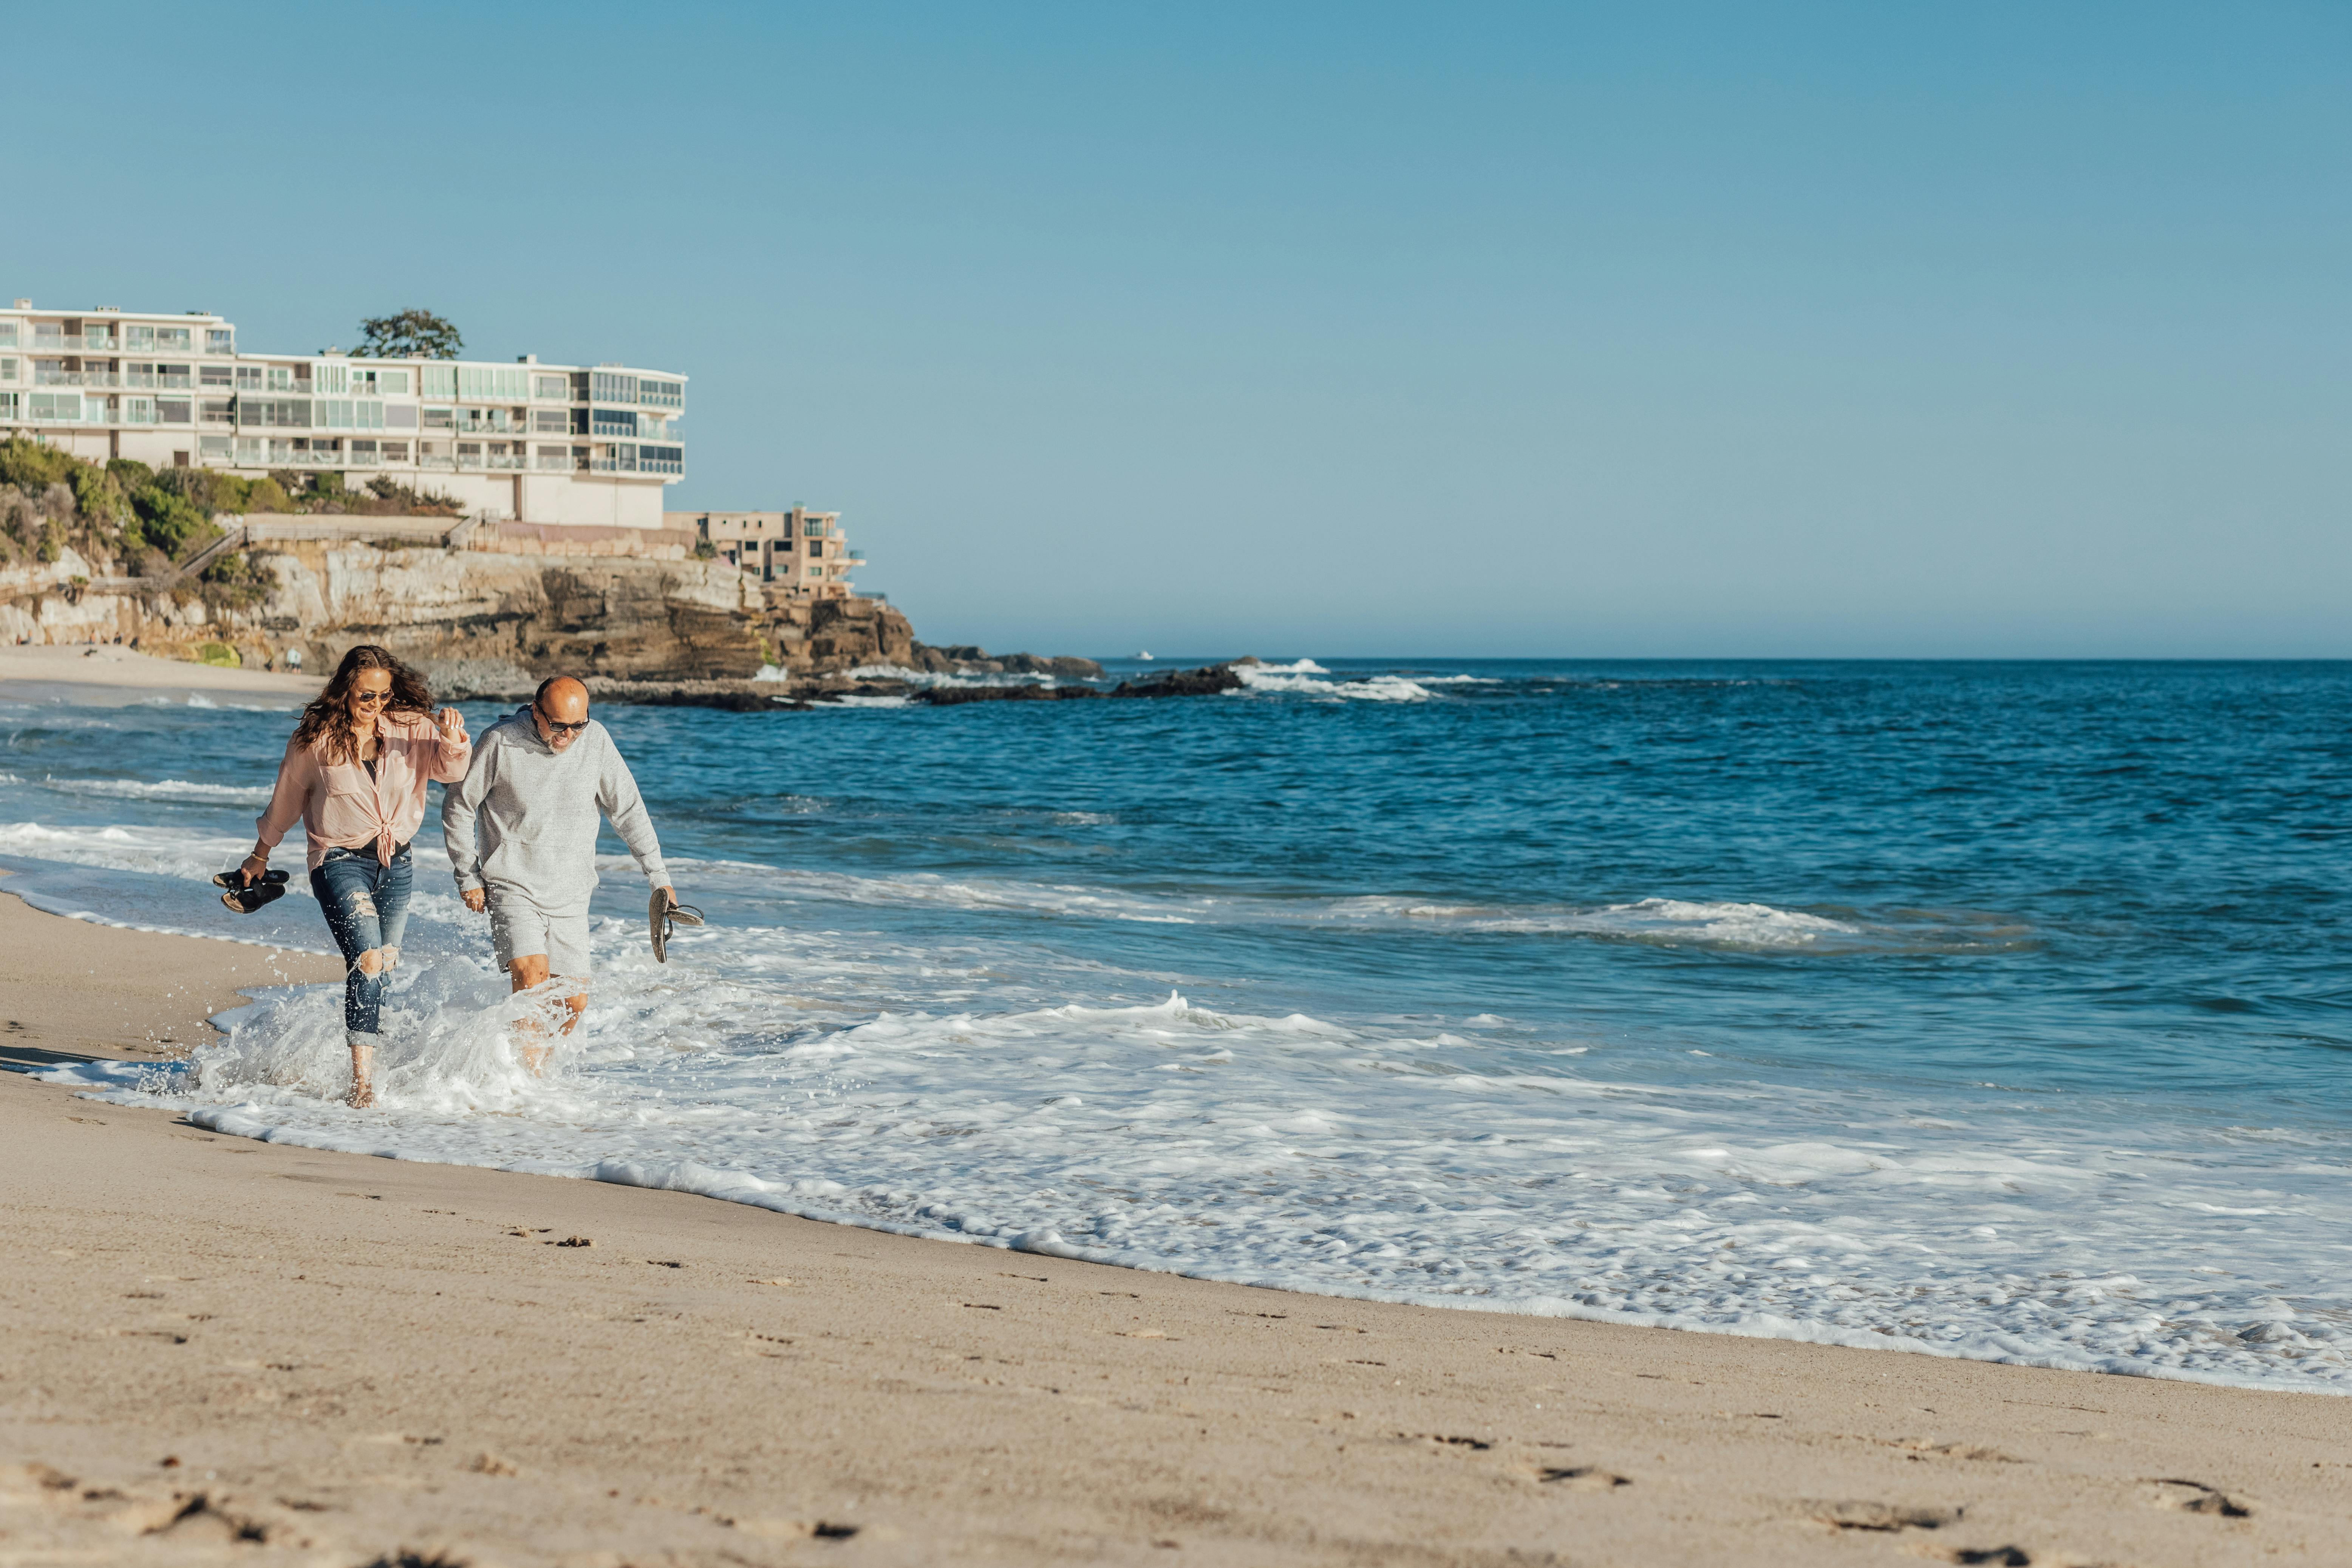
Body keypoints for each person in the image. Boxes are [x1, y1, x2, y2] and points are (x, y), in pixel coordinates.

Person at [242, 645, 472, 1108]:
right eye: (367, 695)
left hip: (397, 863)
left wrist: (452, 738)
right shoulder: (317, 740)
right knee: (367, 959)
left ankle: (364, 1055)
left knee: (382, 966)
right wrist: (259, 856)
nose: (376, 705)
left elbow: (452, 771)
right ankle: (361, 1083)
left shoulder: (411, 728)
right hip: (338, 861)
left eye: (384, 696)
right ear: (346, 686)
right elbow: (286, 802)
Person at [440, 675, 674, 1071]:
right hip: (512, 883)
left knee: (574, 1001)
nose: (569, 735)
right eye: (559, 725)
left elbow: (629, 811)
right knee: (533, 976)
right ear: (536, 711)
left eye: (577, 725)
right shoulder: (500, 741)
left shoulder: (596, 741)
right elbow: (459, 805)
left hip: (571, 890)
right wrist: (468, 875)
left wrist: (659, 877)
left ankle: (530, 1070)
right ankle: (525, 1086)